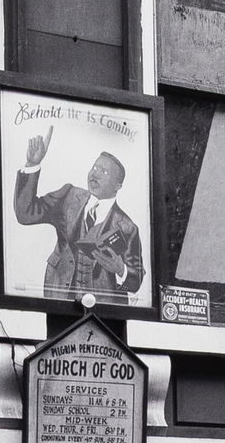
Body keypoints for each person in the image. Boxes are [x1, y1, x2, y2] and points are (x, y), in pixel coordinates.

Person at [13, 124, 146, 307]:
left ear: (117, 186)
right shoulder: (68, 196)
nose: (95, 174)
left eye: (104, 172)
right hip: (58, 298)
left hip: (103, 312)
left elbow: (137, 280)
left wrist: (120, 269)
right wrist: (32, 165)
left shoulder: (127, 227)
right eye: (95, 167)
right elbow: (25, 213)